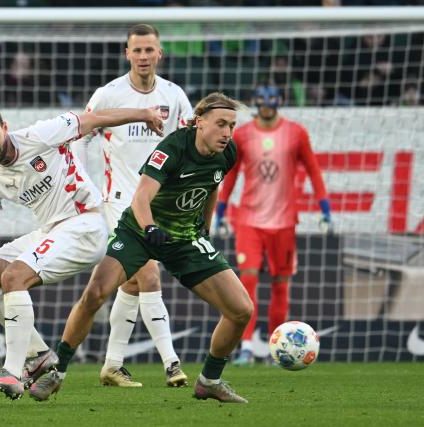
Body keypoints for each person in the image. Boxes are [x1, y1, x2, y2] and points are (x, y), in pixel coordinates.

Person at [0, 102, 164, 400]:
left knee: (14, 276)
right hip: (52, 230)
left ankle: (11, 373)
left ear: (5, 127)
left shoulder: (41, 135)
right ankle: (38, 355)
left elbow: (93, 119)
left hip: (85, 223)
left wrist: (144, 113)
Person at [29, 92, 254, 404]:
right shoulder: (173, 147)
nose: (227, 132)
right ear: (200, 123)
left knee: (242, 310)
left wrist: (206, 225)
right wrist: (149, 228)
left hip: (185, 238)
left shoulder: (227, 153)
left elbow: (211, 185)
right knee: (95, 292)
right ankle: (57, 372)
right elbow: (141, 197)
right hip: (140, 231)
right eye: (221, 124)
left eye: (232, 125)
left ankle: (209, 380)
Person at [82, 23, 192, 388]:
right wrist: (80, 185)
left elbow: (189, 143)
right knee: (148, 274)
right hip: (119, 202)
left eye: (150, 50)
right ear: (127, 53)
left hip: (159, 205)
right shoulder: (108, 95)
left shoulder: (174, 96)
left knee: (130, 284)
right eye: (137, 50)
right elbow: (80, 132)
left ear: (160, 53)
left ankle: (112, 365)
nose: (144, 56)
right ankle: (172, 364)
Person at [215, 84, 332, 367]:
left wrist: (324, 207)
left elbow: (313, 169)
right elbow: (230, 176)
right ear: (256, 102)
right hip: (249, 220)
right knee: (249, 281)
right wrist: (220, 210)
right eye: (262, 100)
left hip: (284, 221)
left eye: (271, 100)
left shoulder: (296, 133)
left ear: (279, 101)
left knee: (280, 285)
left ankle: (272, 350)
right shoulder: (241, 135)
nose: (266, 105)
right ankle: (245, 347)